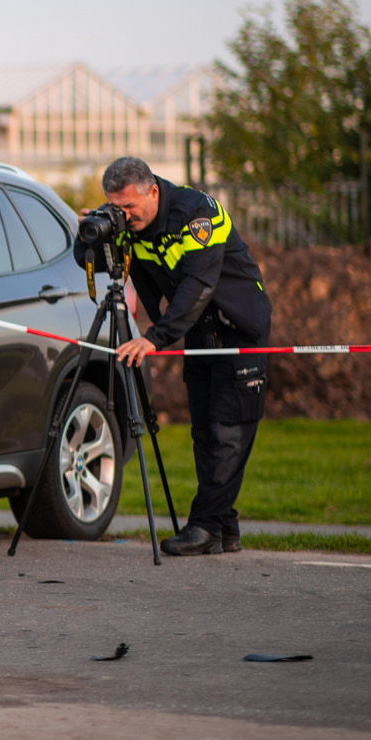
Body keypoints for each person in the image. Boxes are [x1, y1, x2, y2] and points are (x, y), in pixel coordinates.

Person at [101, 156, 271, 556]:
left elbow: (198, 285)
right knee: (205, 431)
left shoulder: (197, 214)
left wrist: (155, 338)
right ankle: (225, 529)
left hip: (237, 328)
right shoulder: (131, 226)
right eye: (116, 207)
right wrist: (91, 234)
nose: (124, 216)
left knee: (227, 432)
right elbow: (92, 263)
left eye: (129, 207)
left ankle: (205, 526)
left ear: (153, 191)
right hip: (199, 331)